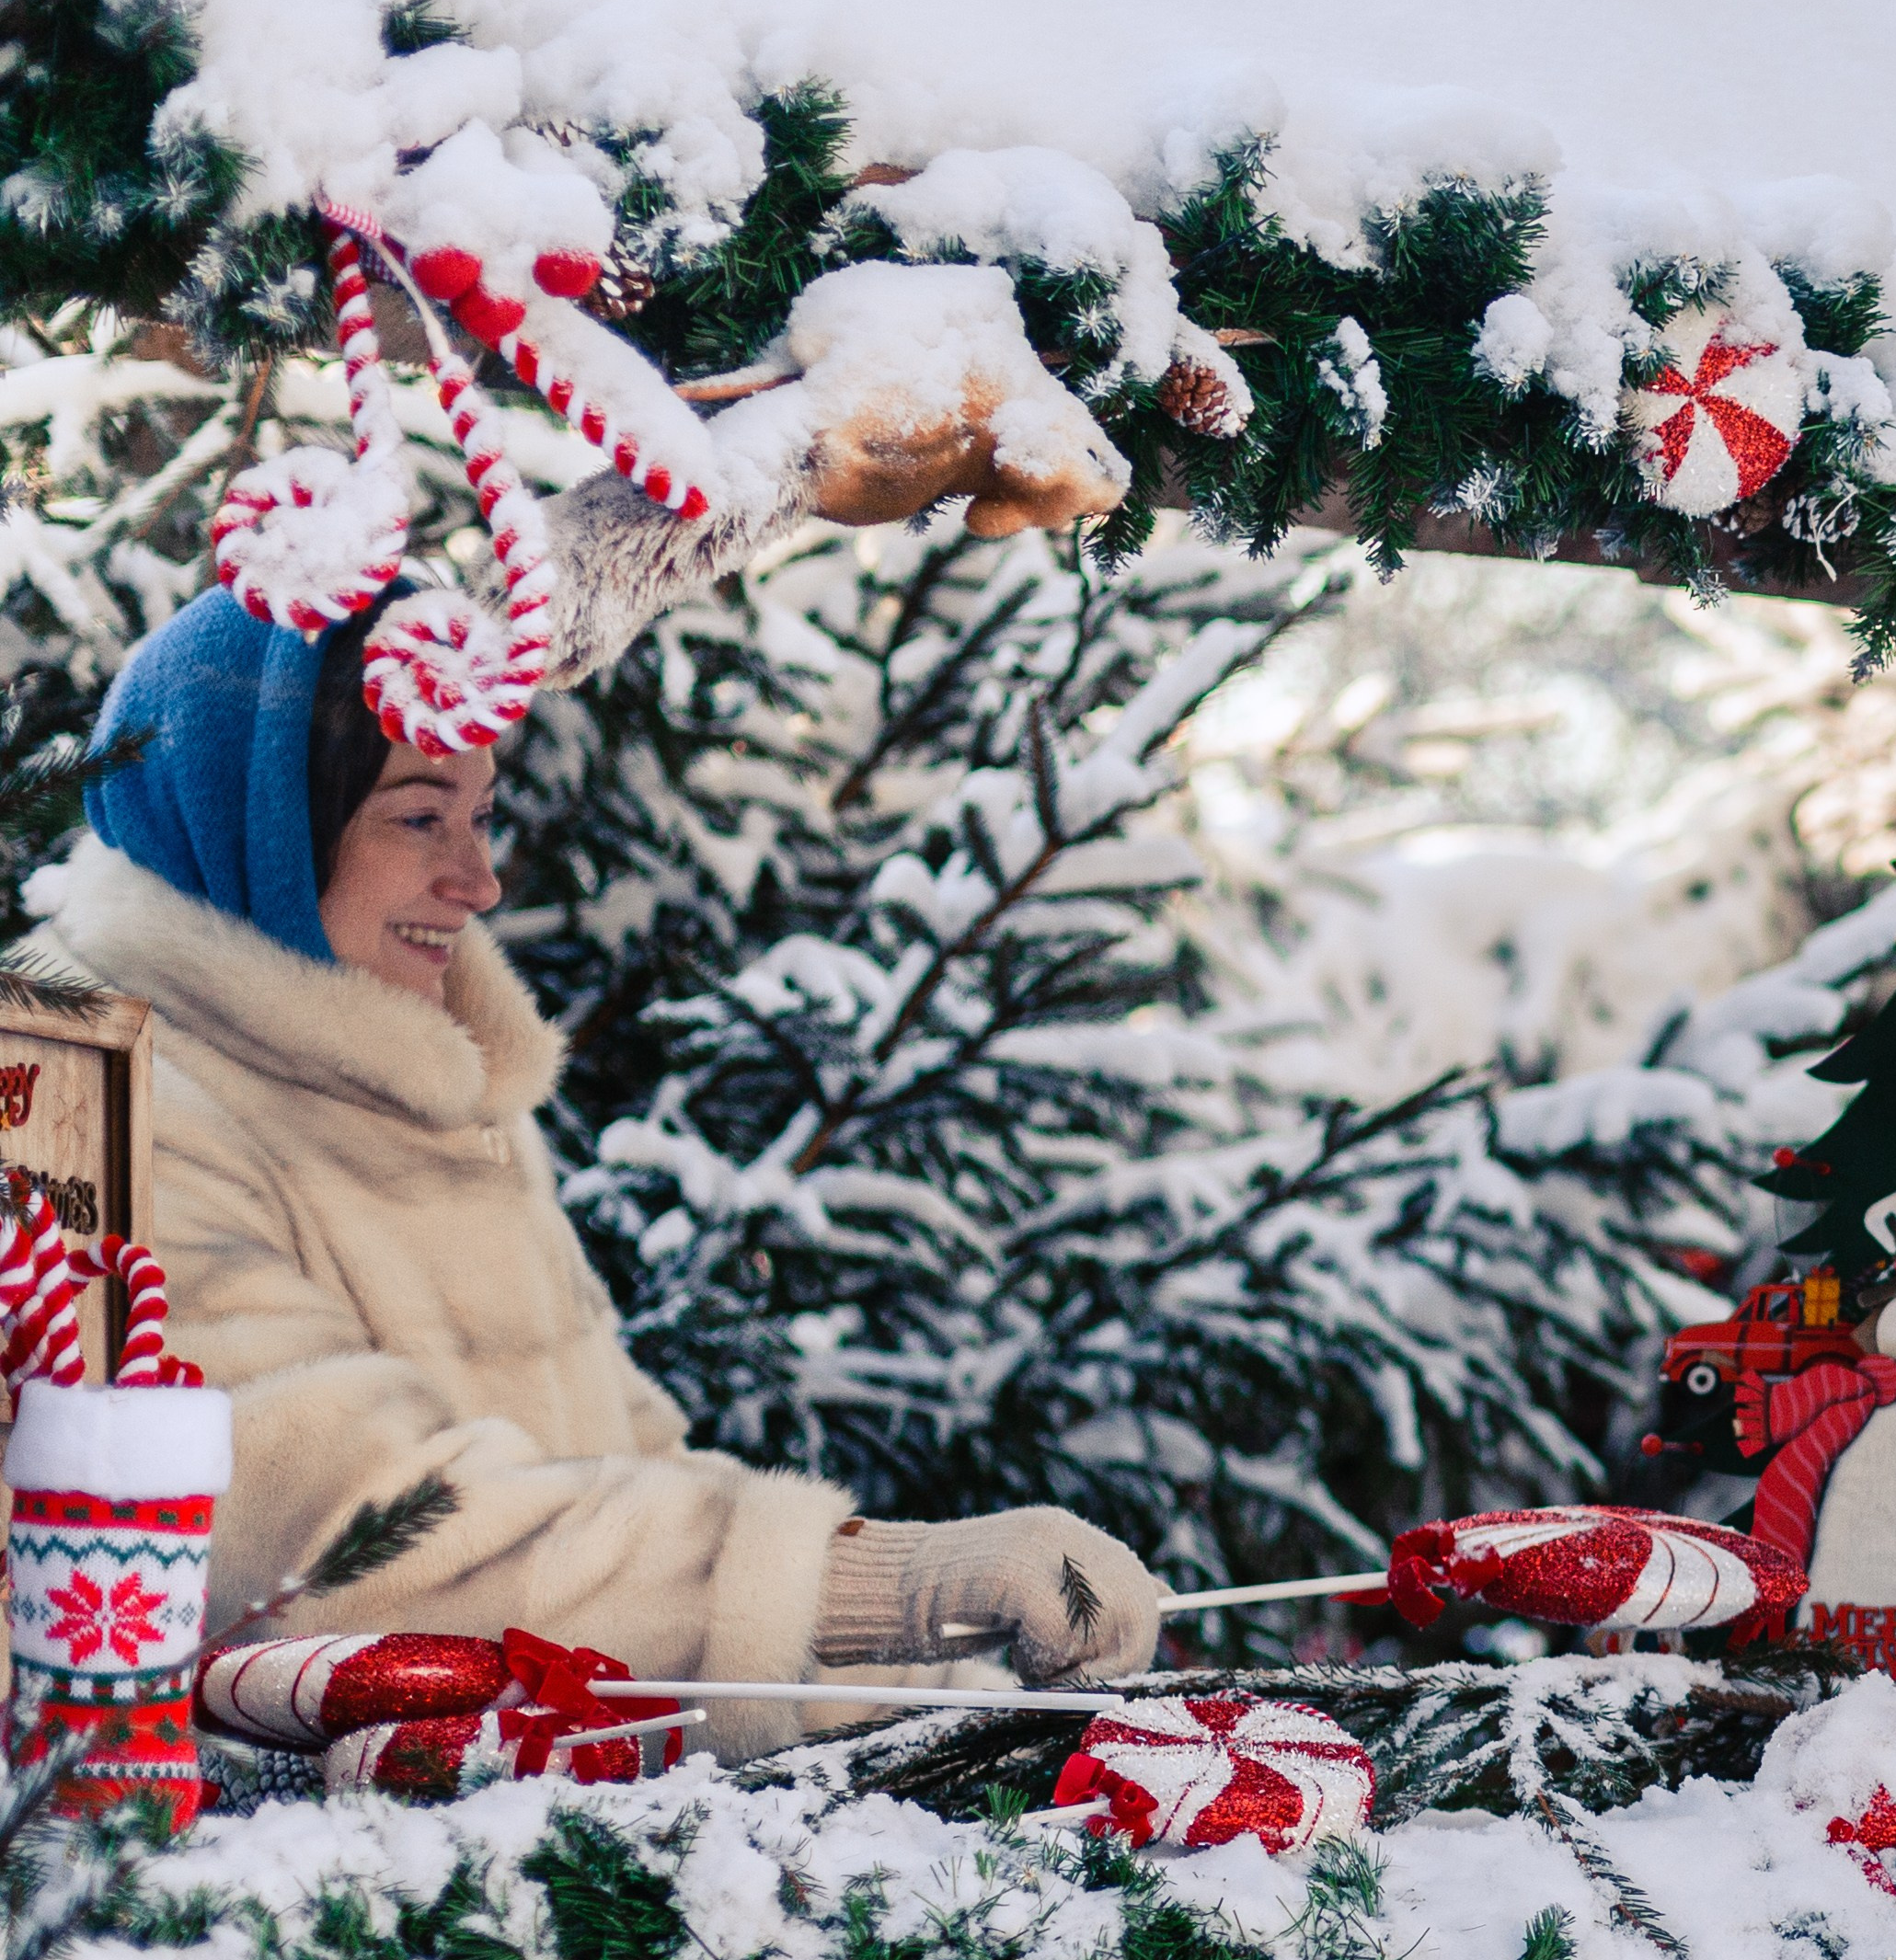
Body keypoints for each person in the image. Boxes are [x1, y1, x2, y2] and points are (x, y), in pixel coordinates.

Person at [24, 584, 1159, 1752]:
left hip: (534, 1818)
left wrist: (915, 1673)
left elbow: (617, 1474)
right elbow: (335, 1550)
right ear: (259, 823)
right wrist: (897, 1584)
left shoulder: (417, 1073)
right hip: (258, 1892)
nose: (479, 879)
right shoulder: (100, 1106)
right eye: (419, 817)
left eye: (481, 813)